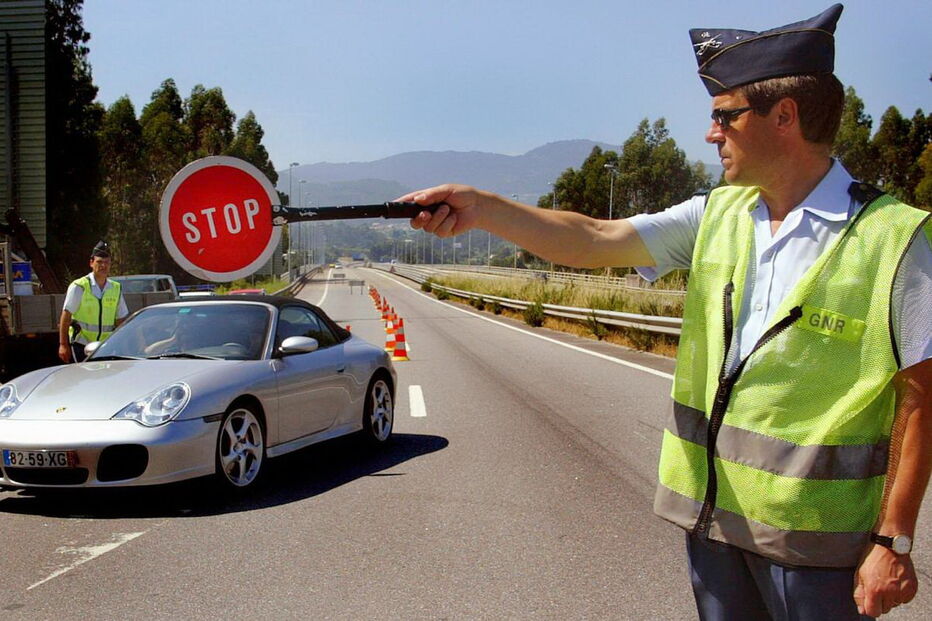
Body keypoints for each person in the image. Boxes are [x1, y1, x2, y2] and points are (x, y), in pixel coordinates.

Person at [402, 4, 931, 619]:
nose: (711, 135)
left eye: (724, 117)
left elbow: (921, 397)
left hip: (814, 546)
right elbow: (595, 239)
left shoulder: (896, 237)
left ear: (784, 115)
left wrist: (892, 540)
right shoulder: (719, 214)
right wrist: (483, 207)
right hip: (711, 528)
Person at [58, 240, 129, 363]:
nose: (103, 266)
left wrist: (122, 345)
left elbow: (120, 320)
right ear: (91, 263)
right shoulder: (79, 286)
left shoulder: (116, 288)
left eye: (106, 262)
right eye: (99, 262)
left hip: (105, 347)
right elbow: (66, 316)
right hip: (82, 345)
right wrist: (63, 344)